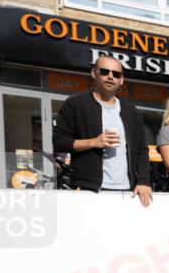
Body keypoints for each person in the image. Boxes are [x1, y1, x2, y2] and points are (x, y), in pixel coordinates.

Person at [53, 56, 152, 205]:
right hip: (89, 190)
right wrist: (93, 142)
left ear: (121, 80)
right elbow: (59, 142)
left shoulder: (130, 111)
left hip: (127, 191)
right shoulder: (75, 104)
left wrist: (143, 181)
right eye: (105, 72)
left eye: (116, 74)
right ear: (94, 73)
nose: (110, 76)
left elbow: (141, 150)